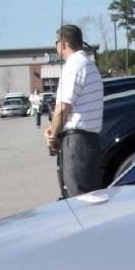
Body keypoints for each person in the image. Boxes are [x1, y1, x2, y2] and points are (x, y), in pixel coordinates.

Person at [44, 24, 103, 198]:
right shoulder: (88, 64)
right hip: (88, 141)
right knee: (88, 195)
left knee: (79, 198)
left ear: (63, 43)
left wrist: (53, 134)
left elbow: (63, 107)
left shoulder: (74, 66)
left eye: (56, 42)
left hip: (76, 142)